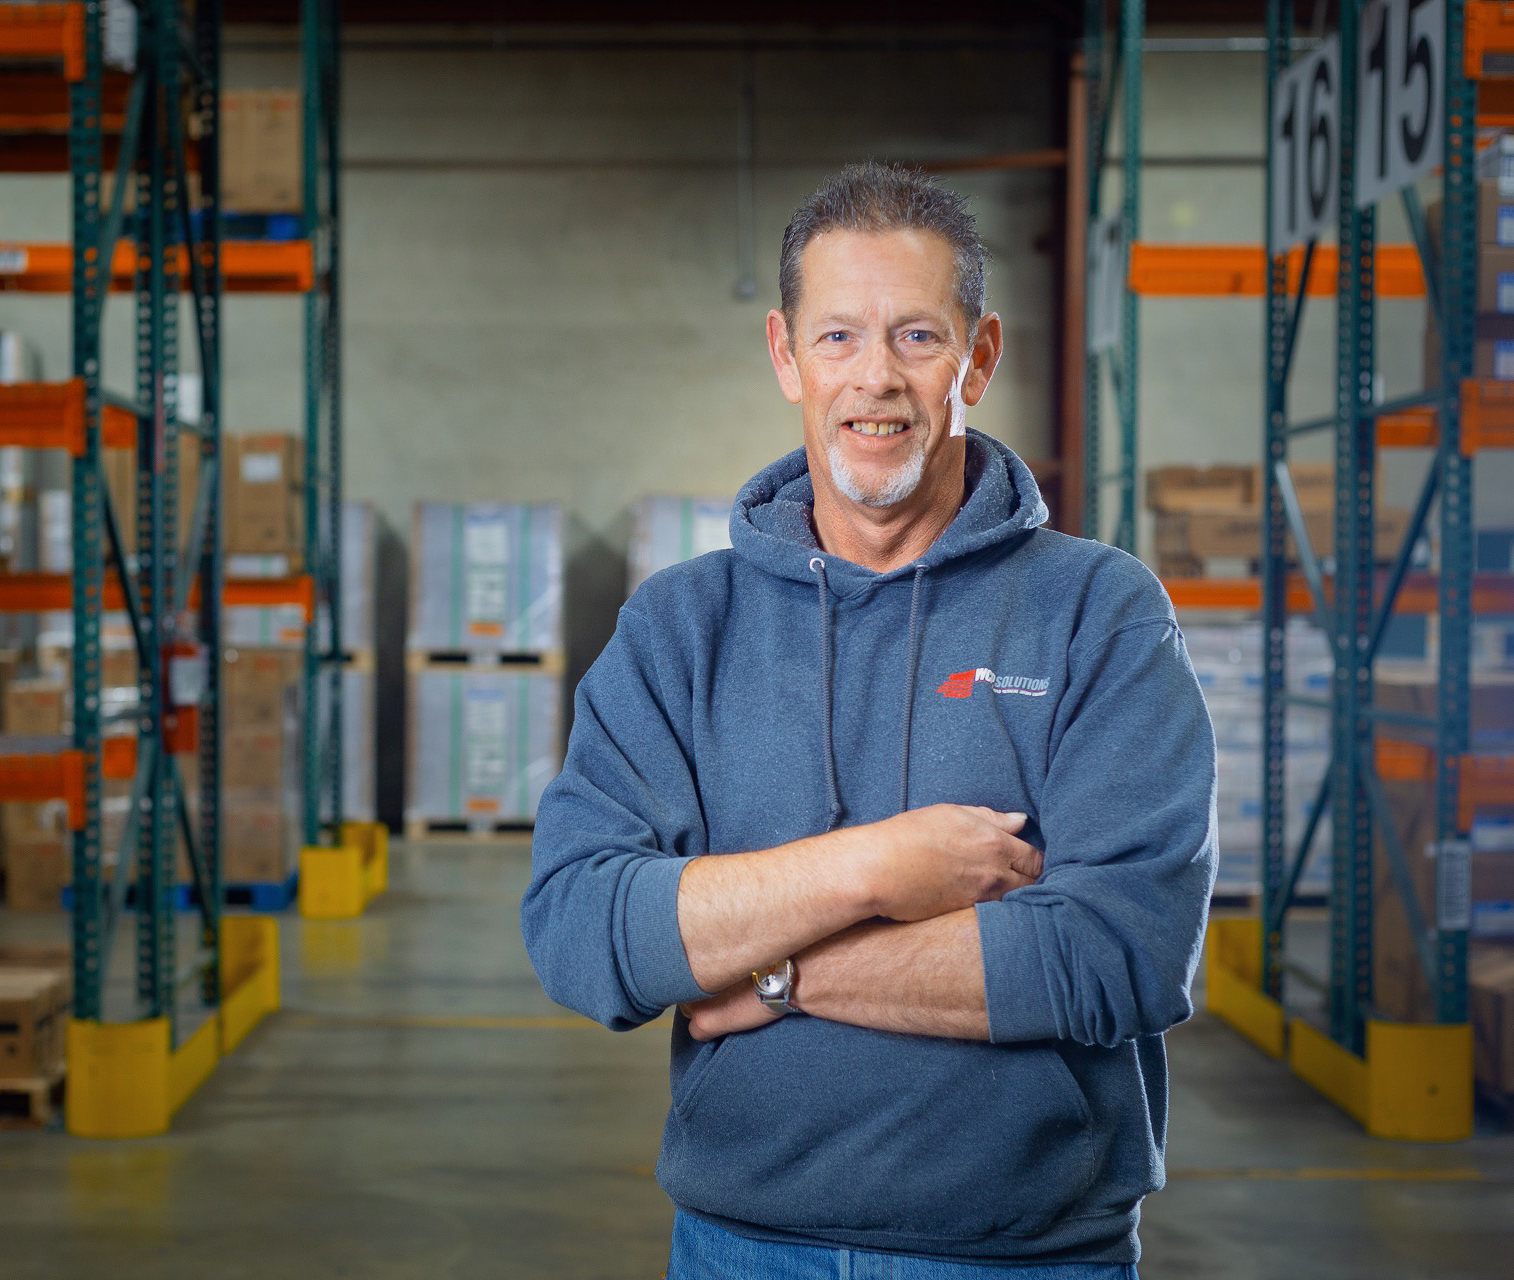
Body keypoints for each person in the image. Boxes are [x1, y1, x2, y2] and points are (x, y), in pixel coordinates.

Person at [521, 162, 1217, 1278]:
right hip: (738, 1245)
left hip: (1026, 1254)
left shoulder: (1098, 610)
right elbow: (582, 928)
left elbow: (1119, 952)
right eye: (838, 337)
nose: (875, 380)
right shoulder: (679, 627)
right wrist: (877, 865)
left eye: (917, 337)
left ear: (979, 358)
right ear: (785, 355)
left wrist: (766, 971)